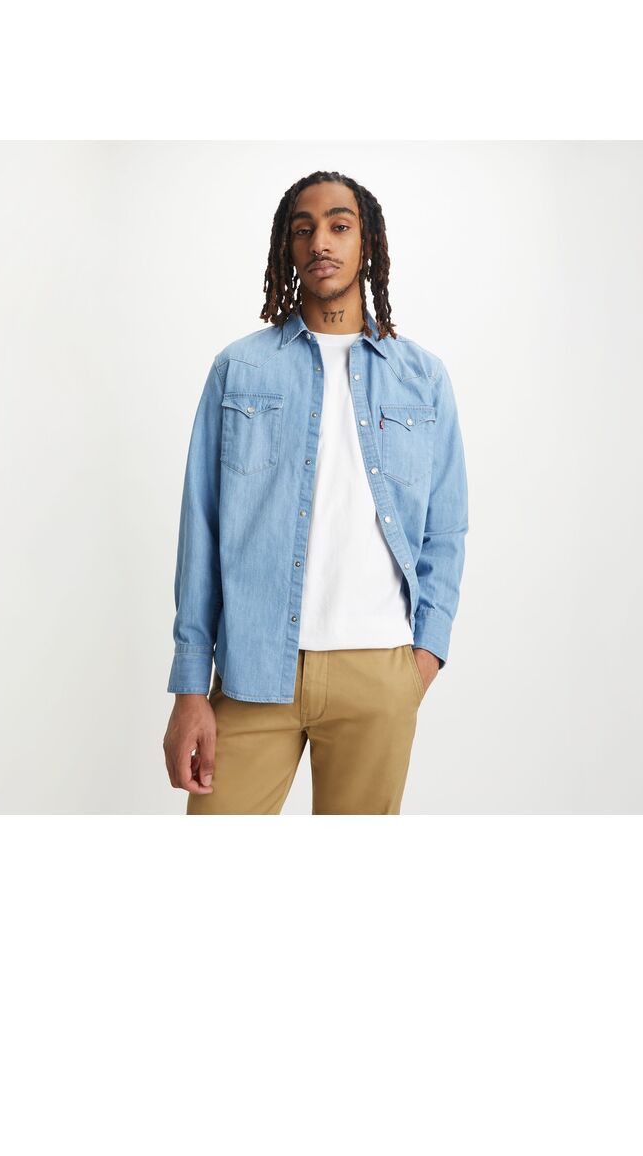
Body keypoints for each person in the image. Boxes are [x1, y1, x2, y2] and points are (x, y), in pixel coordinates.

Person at [162, 170, 469, 814]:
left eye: (339, 226)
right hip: (252, 672)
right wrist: (191, 685)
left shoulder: (421, 378)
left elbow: (446, 528)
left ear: (367, 242)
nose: (320, 242)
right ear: (288, 247)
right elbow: (202, 525)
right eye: (303, 230)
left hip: (377, 671)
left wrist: (426, 655)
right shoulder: (240, 369)